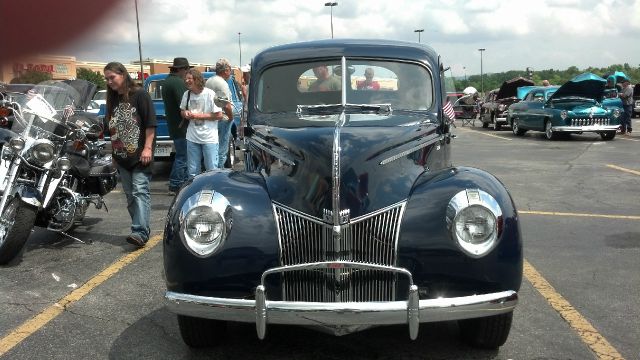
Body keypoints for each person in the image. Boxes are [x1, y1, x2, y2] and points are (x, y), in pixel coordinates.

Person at [103, 62, 156, 248]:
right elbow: (111, 129)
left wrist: (148, 148)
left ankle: (139, 231)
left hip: (141, 155)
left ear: (123, 75)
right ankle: (140, 230)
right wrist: (114, 155)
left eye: (112, 77)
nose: (109, 82)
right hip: (122, 157)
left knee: (140, 190)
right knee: (130, 195)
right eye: (107, 79)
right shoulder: (111, 100)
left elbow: (150, 124)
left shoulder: (140, 95)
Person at [182, 68, 224, 177]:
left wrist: (197, 115)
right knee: (192, 172)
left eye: (189, 78)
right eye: (186, 79)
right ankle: (195, 192)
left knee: (212, 171)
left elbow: (219, 115)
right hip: (192, 137)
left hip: (209, 138)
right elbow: (182, 111)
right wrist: (185, 113)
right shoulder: (186, 94)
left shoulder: (210, 94)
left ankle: (213, 191)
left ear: (197, 79)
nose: (187, 81)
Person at [161, 57, 192, 195]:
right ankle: (175, 184)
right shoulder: (178, 83)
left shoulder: (167, 81)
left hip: (174, 125)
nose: (187, 73)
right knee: (183, 156)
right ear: (181, 69)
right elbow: (184, 105)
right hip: (181, 126)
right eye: (186, 69)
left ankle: (178, 183)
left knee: (182, 156)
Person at [204, 58, 235, 168]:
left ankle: (211, 170)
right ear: (225, 70)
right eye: (229, 69)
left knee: (213, 147)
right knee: (222, 149)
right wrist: (231, 117)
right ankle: (218, 172)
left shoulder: (209, 81)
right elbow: (226, 105)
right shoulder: (222, 83)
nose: (230, 72)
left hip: (212, 118)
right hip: (223, 118)